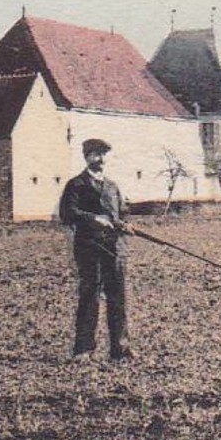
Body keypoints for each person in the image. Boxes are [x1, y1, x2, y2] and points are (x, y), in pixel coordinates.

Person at [58, 138, 133, 361]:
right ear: (86, 156)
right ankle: (83, 350)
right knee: (90, 297)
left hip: (115, 249)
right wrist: (93, 219)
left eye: (103, 154)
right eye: (95, 154)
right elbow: (67, 213)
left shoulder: (112, 186)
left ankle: (120, 349)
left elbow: (121, 213)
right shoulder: (76, 185)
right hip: (89, 249)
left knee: (117, 299)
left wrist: (125, 225)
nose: (100, 159)